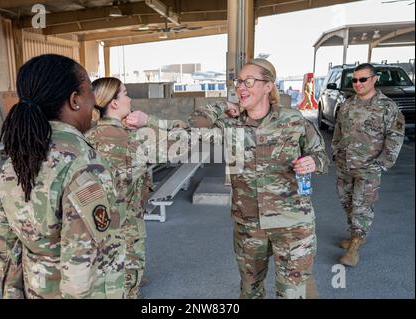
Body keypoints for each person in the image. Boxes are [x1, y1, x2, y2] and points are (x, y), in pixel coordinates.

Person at [127, 58, 328, 299]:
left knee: (293, 292)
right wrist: (223, 106)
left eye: (249, 81)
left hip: (293, 223)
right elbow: (191, 126)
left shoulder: (294, 120)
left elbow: (320, 156)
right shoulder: (230, 124)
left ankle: (304, 284)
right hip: (249, 226)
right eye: (239, 81)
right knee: (250, 290)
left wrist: (313, 162)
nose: (241, 87)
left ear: (268, 86)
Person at [0, 54, 126, 299]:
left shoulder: (17, 159)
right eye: (89, 92)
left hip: (36, 288)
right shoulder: (83, 164)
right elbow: (84, 260)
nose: (94, 103)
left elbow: (5, 242)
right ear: (75, 100)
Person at [332, 63, 405, 267]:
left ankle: (355, 245)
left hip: (369, 167)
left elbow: (395, 137)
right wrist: (335, 152)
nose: (358, 83)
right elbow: (337, 130)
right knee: (347, 201)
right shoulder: (348, 104)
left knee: (362, 205)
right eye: (354, 80)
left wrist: (381, 164)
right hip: (345, 165)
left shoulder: (387, 106)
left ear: (374, 79)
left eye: (362, 79)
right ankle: (356, 234)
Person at [85, 77, 151, 299]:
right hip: (129, 218)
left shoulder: (87, 136)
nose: (130, 98)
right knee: (130, 265)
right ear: (113, 103)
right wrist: (148, 123)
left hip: (99, 219)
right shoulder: (131, 139)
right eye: (125, 93)